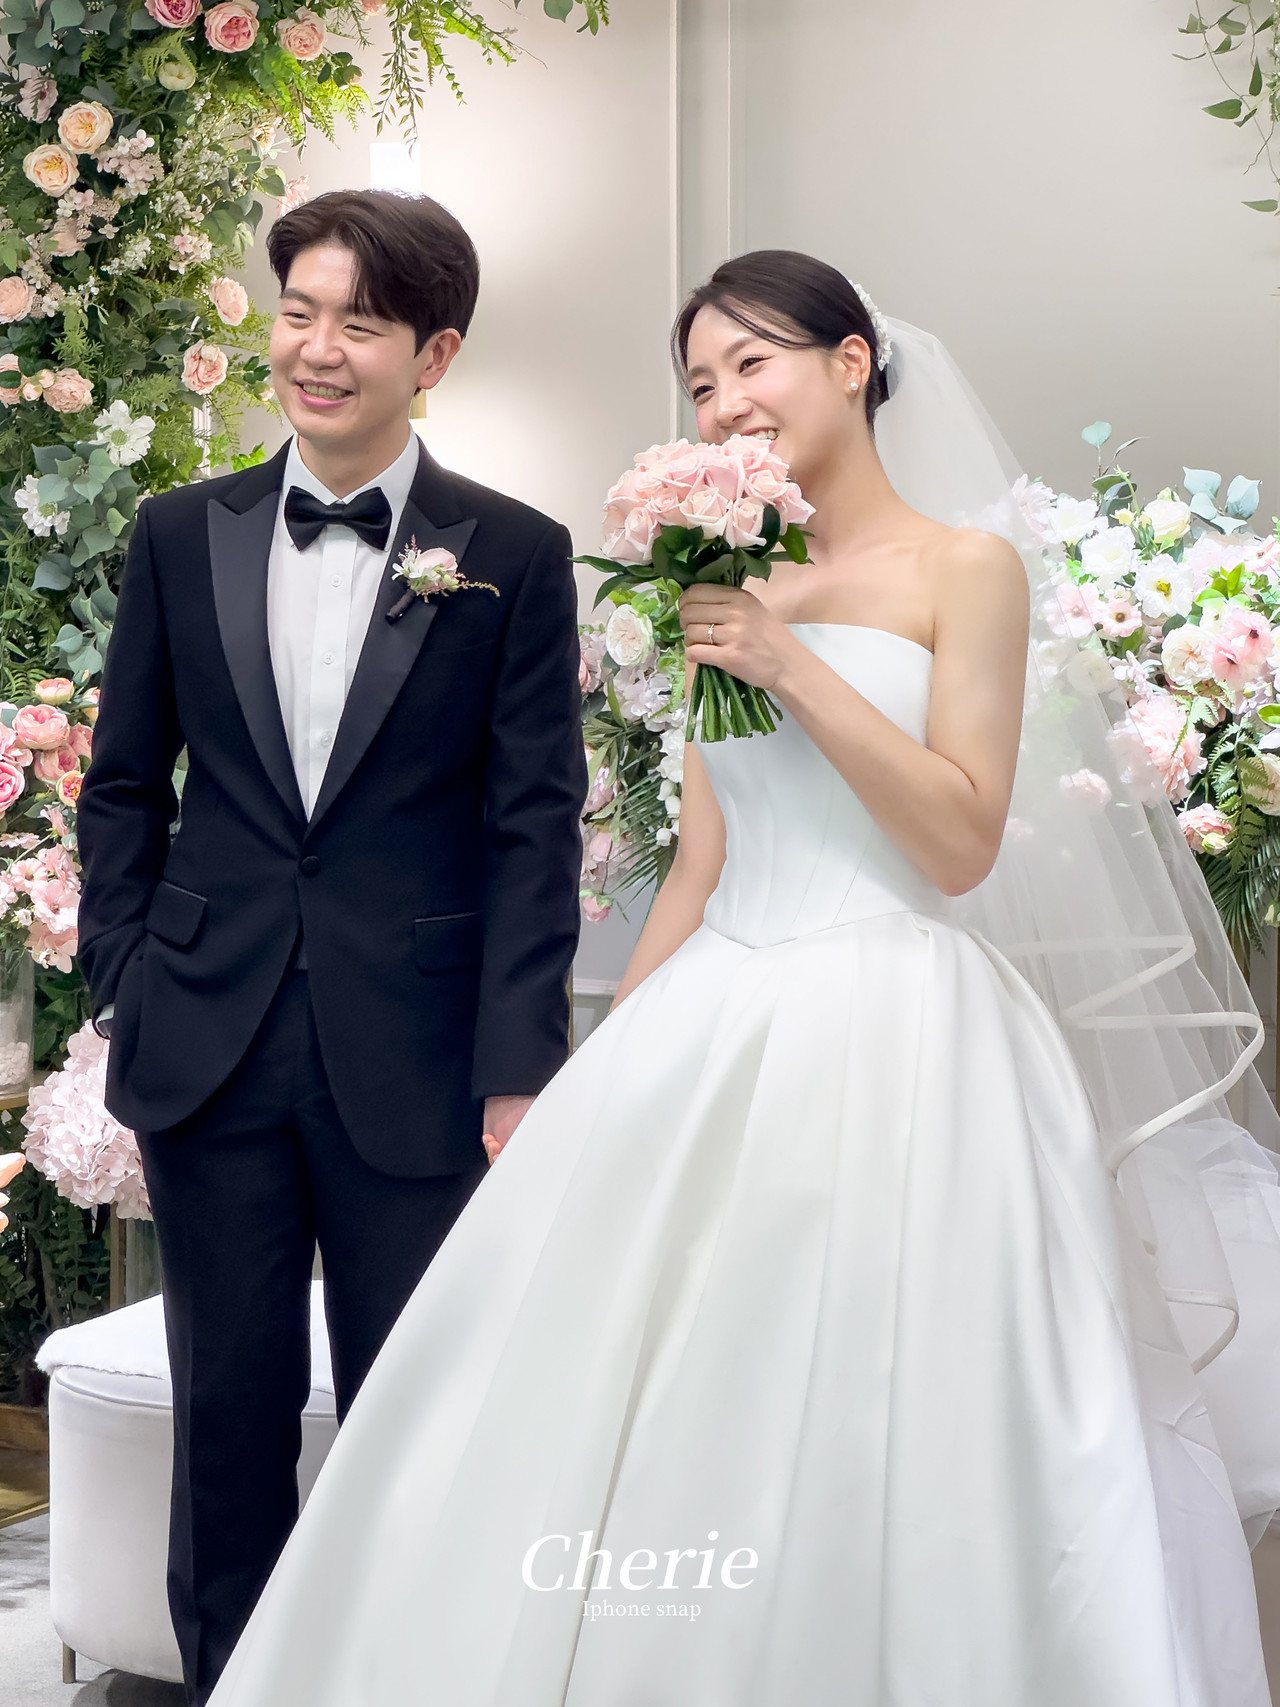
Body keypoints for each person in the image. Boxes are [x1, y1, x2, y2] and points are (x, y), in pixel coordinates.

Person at [208, 252, 1280, 1706]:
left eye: (751, 364)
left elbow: (961, 841)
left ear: (853, 361)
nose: (723, 405)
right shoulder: (721, 582)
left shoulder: (964, 569)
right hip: (716, 1015)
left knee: (888, 1412)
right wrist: (598, 1076)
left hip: (904, 1037)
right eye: (700, 384)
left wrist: (792, 665)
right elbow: (702, 865)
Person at [75, 189, 586, 1706]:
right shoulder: (182, 532)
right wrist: (128, 978)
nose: (317, 347)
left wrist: (517, 1066)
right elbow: (122, 784)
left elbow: (533, 824)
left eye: (359, 322)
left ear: (434, 352)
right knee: (225, 1417)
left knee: (412, 1415)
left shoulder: (514, 553)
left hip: (418, 1058)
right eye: (297, 311)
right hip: (209, 1041)